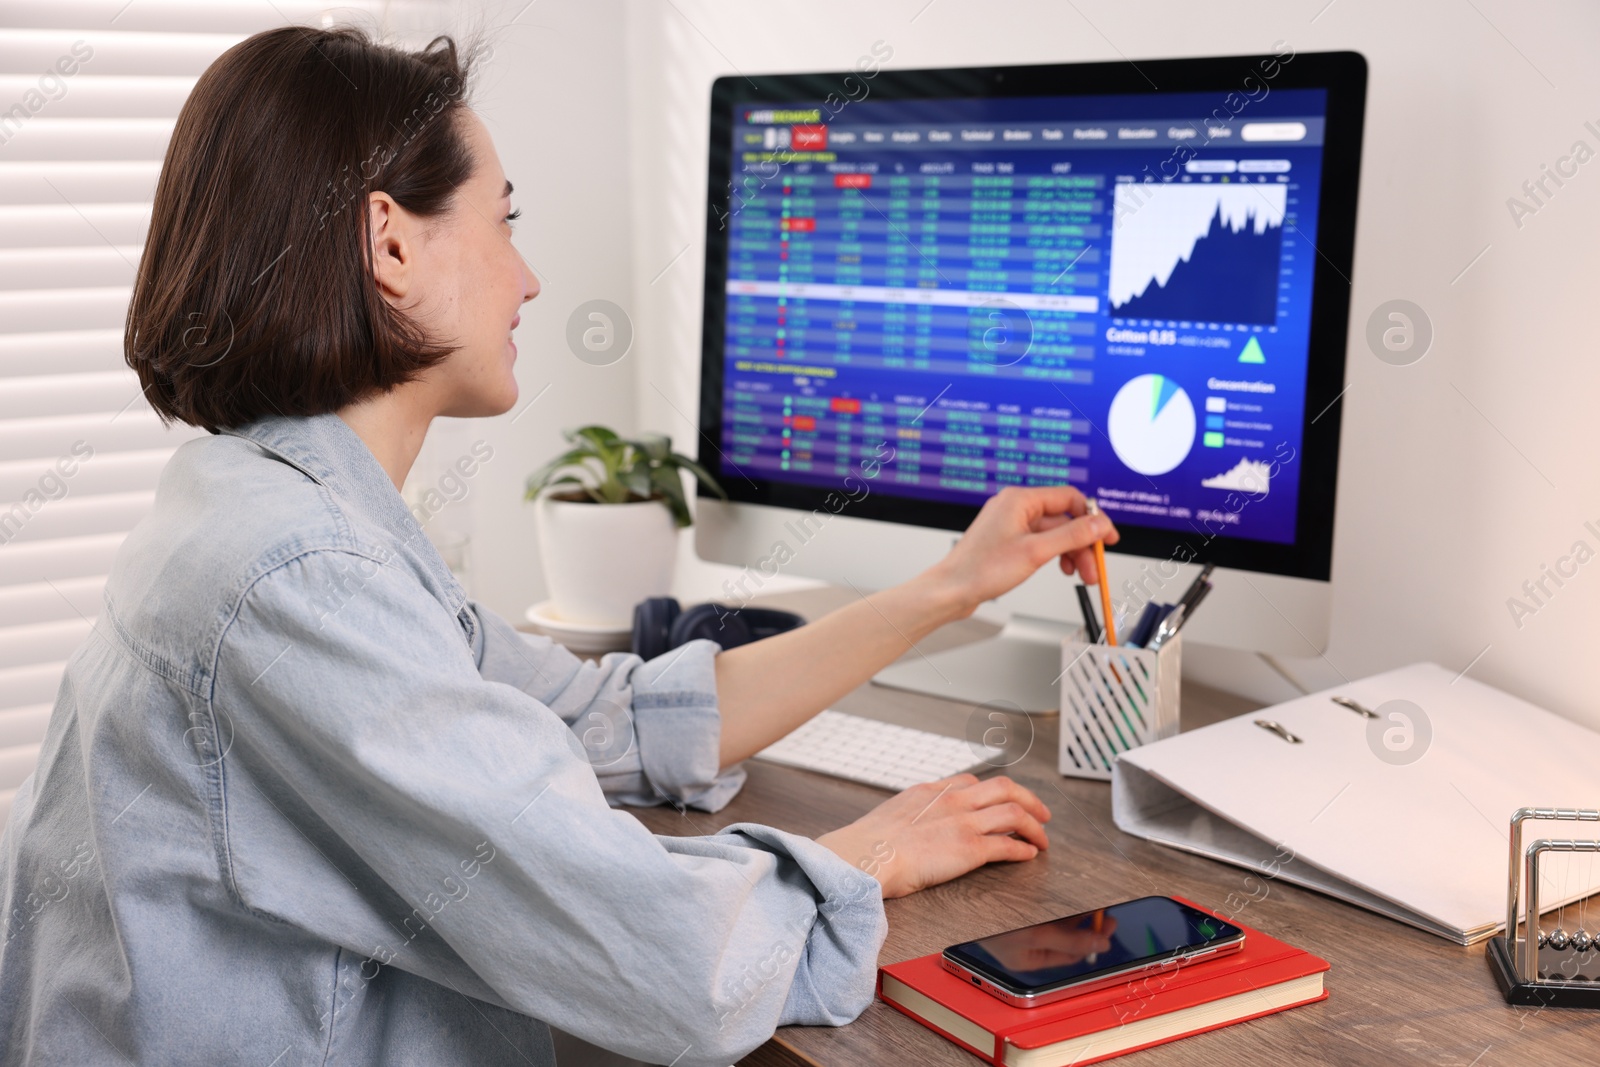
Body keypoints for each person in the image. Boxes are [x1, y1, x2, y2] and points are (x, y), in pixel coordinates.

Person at [0, 27, 1119, 1066]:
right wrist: (870, 852)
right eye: (504, 221)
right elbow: (666, 957)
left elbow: (603, 721)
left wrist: (950, 583)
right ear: (390, 241)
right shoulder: (301, 578)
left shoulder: (271, 508)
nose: (528, 277)